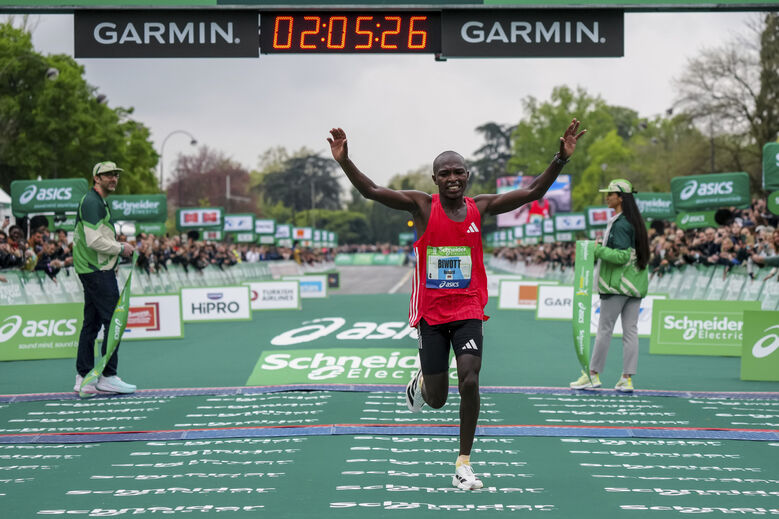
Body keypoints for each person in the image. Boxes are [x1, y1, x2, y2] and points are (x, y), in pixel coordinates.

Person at [328, 119, 586, 490]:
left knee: (470, 378)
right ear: (435, 179)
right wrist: (344, 161)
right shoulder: (420, 206)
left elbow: (531, 192)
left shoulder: (480, 207)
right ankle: (421, 383)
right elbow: (371, 190)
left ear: (468, 176)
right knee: (437, 400)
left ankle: (463, 463)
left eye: (458, 172)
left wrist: (560, 159)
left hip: (467, 309)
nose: (452, 178)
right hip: (431, 313)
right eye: (445, 173)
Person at [570, 178, 650, 393]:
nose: (607, 197)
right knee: (631, 332)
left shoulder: (622, 224)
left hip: (616, 285)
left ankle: (592, 375)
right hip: (635, 285)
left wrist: (596, 250)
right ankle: (626, 379)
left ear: (621, 197)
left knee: (604, 330)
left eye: (610, 194)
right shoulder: (634, 222)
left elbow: (622, 256)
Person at [72, 161, 136, 395]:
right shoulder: (91, 201)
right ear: (96, 178)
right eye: (108, 175)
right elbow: (93, 241)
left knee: (91, 324)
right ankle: (108, 376)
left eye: (116, 175)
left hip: (94, 268)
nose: (113, 178)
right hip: (95, 270)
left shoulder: (97, 201)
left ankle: (84, 377)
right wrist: (120, 249)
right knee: (114, 321)